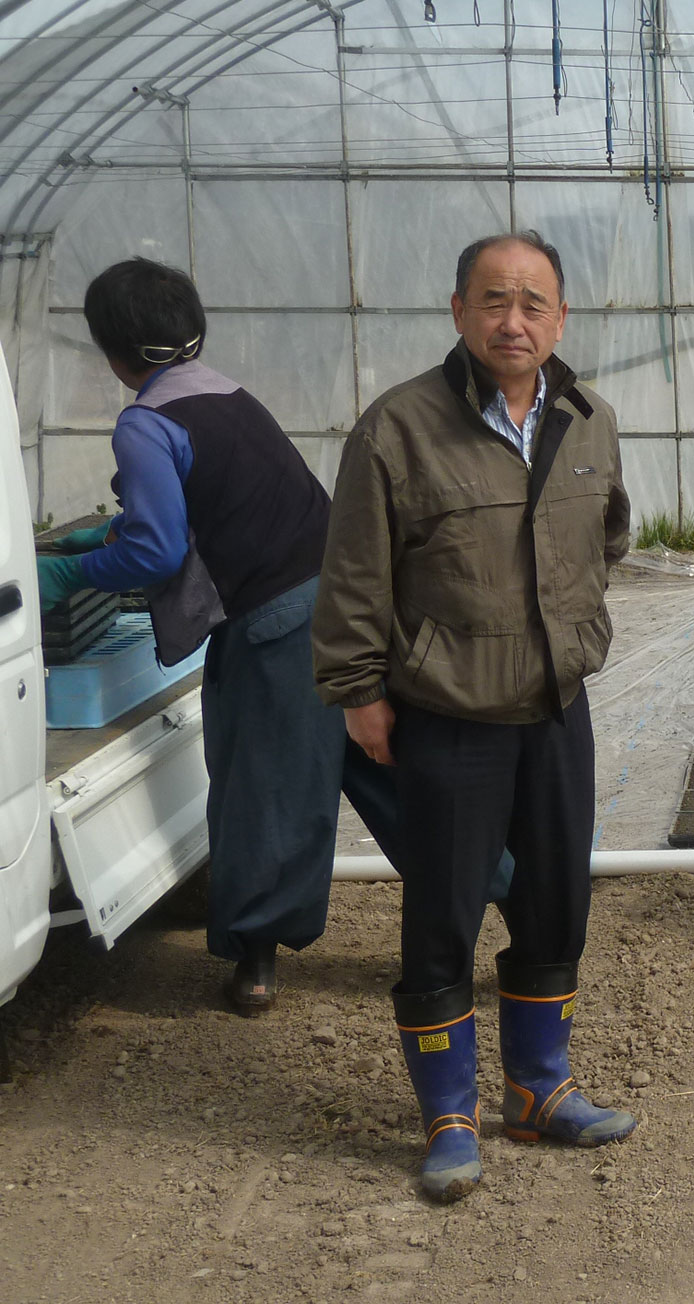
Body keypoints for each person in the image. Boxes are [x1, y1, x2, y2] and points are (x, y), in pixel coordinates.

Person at [312, 230, 635, 1203]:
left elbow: (607, 532)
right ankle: (449, 1118)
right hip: (449, 711)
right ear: (458, 312)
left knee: (553, 903)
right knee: (442, 916)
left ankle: (539, 1091)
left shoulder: (588, 418)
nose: (514, 320)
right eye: (493, 301)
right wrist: (362, 690)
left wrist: (569, 627)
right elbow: (356, 574)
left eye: (534, 303)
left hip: (554, 708)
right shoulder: (397, 429)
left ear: (560, 318)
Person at [34, 257, 414, 1017]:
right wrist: (105, 534)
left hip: (275, 626)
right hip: (348, 599)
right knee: (394, 777)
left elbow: (156, 551)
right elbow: (216, 502)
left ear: (111, 353)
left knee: (259, 791)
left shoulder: (144, 422)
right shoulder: (228, 393)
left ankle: (255, 960)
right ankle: (521, 906)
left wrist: (68, 577)